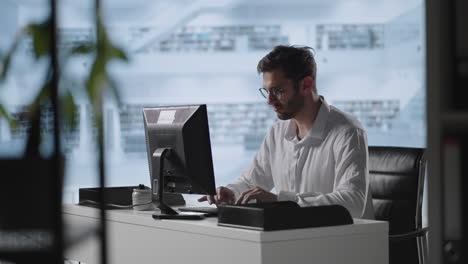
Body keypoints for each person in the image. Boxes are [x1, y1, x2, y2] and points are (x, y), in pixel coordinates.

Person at [198, 45, 374, 219]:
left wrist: (283, 202)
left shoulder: (348, 132)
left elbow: (353, 203)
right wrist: (231, 191)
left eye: (277, 91)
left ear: (306, 85)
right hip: (296, 237)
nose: (269, 101)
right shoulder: (277, 133)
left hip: (342, 242)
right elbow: (252, 181)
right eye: (266, 92)